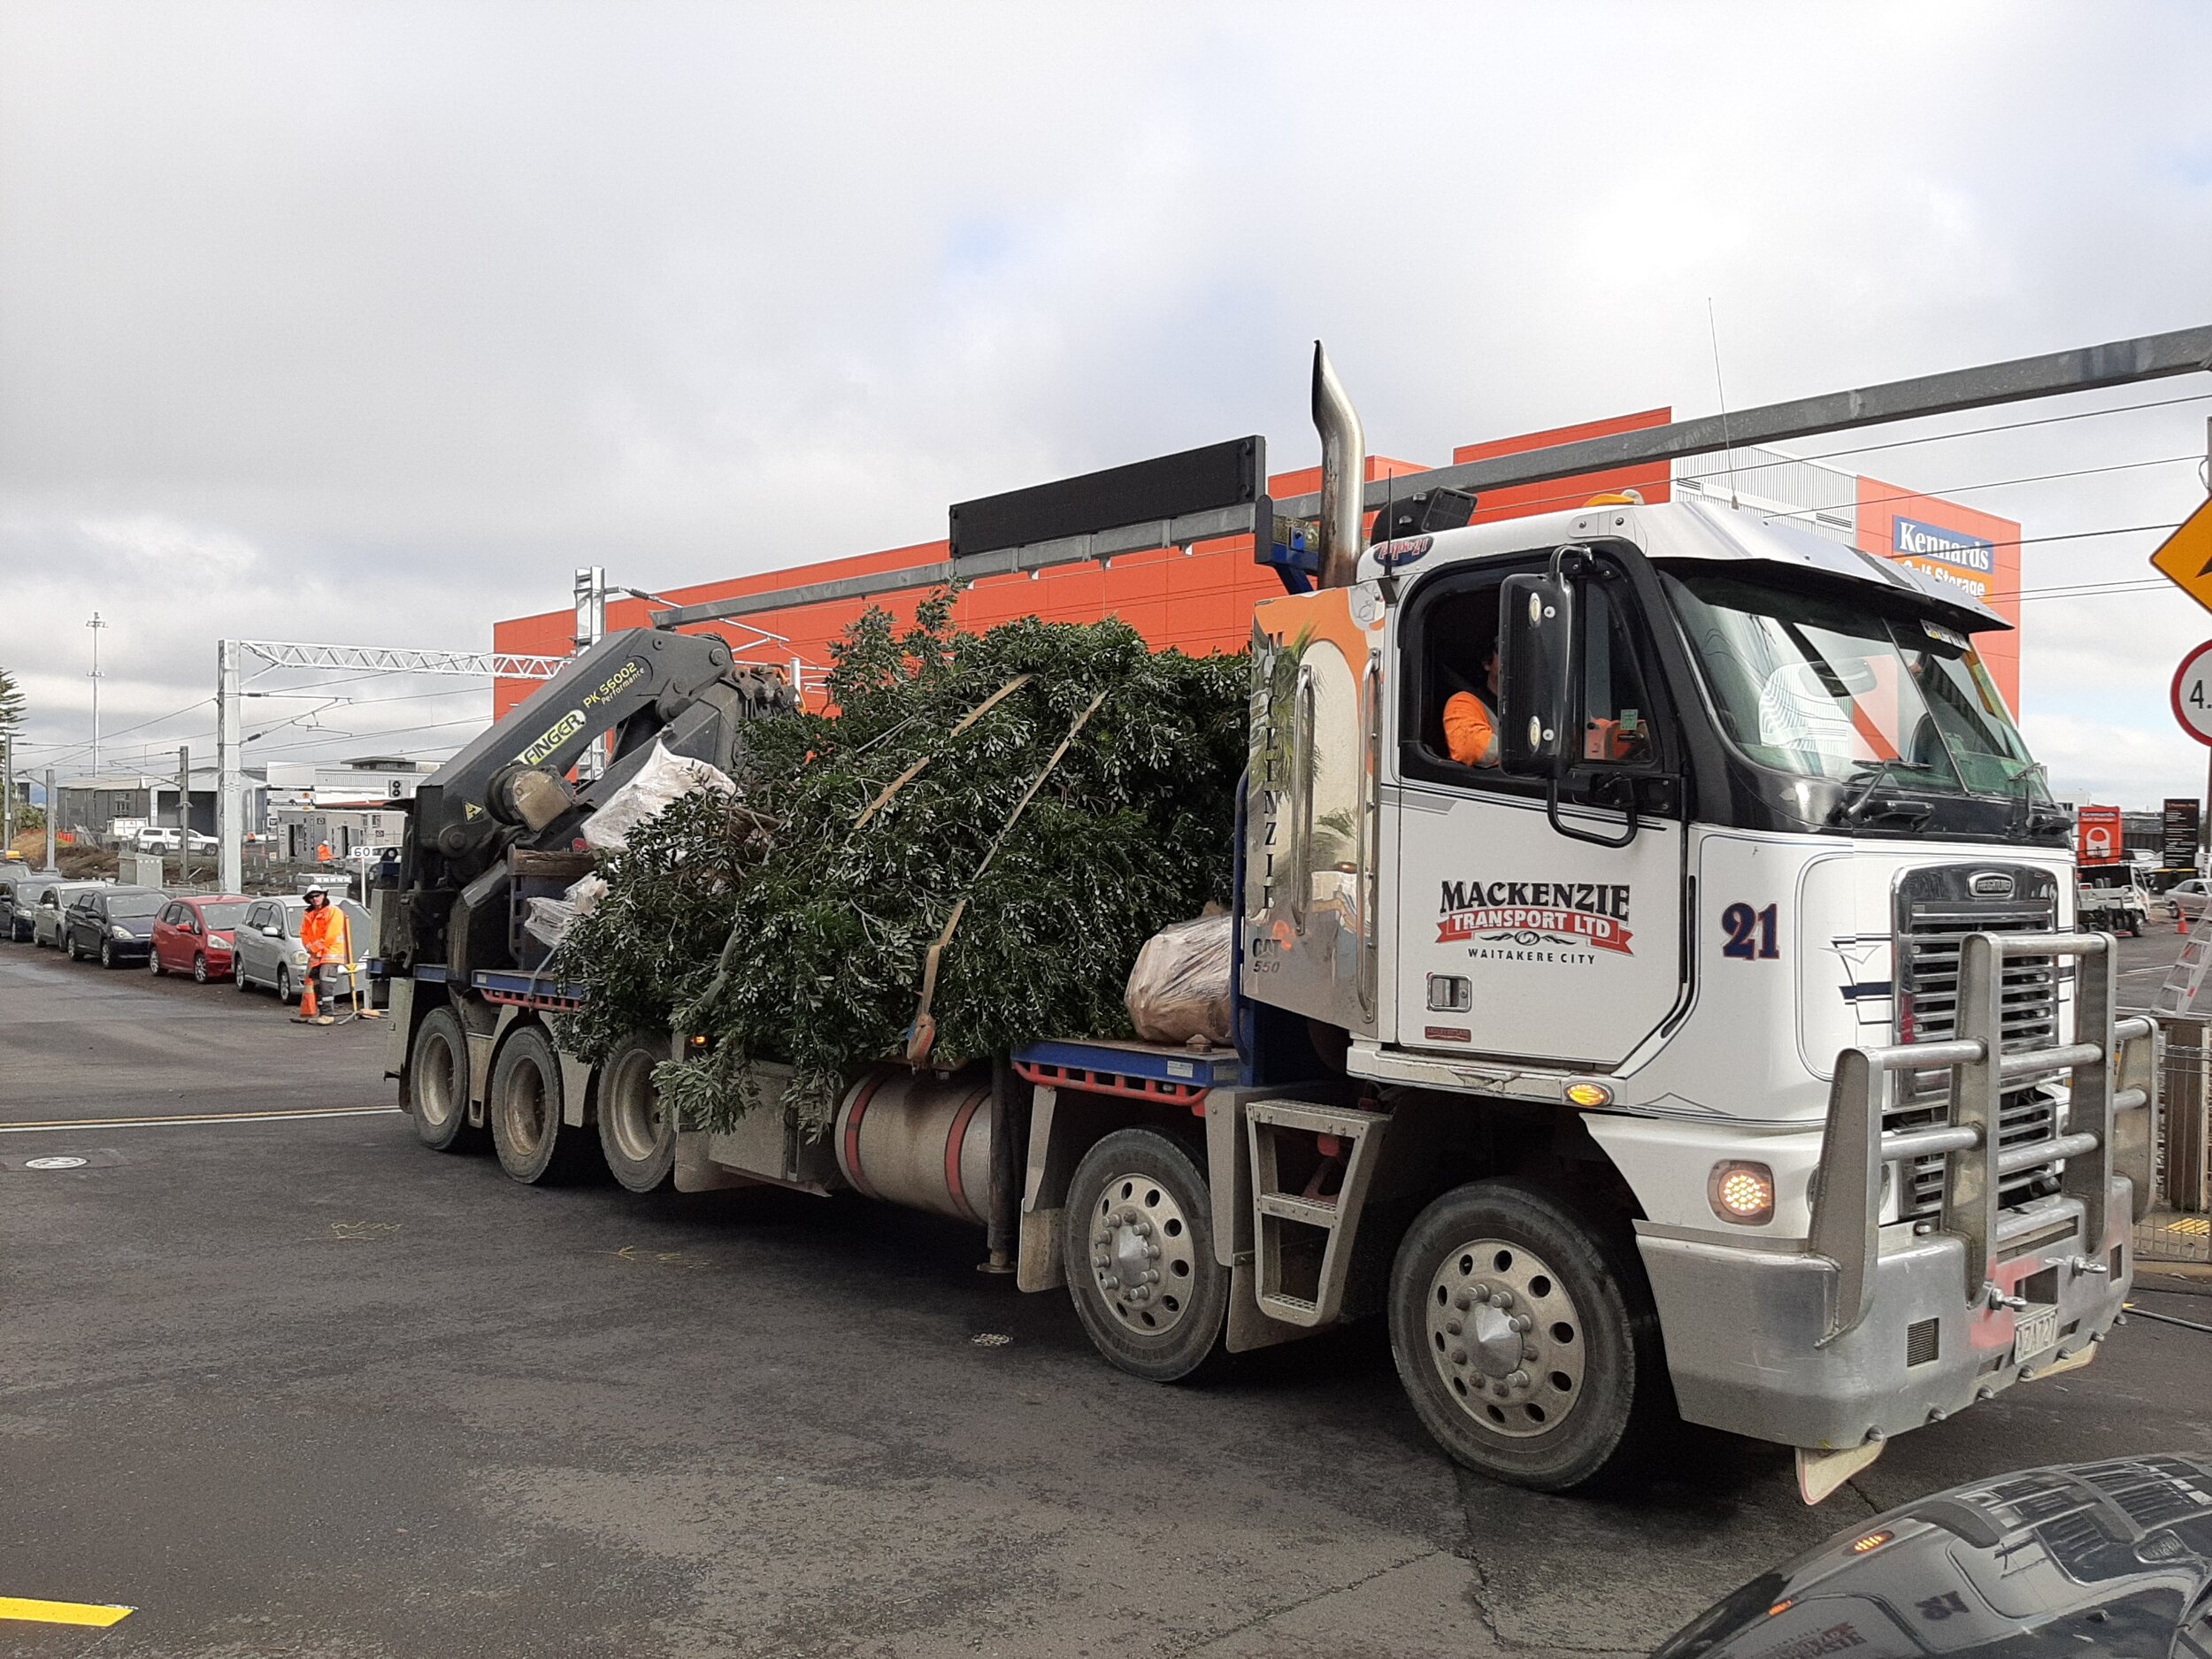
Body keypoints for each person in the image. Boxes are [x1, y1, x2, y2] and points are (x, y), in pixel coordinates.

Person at [293, 887, 351, 1025]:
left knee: (326, 984)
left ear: (324, 895)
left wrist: (313, 948)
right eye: (312, 897)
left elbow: (330, 935)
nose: (315, 899)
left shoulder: (334, 912)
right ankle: (321, 1014)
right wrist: (308, 947)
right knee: (318, 986)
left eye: (317, 895)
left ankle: (328, 1015)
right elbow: (304, 933)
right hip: (316, 956)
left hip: (331, 954)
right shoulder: (309, 914)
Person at [1444, 642, 1502, 767]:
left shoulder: (1535, 708)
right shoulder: (1462, 703)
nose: (1515, 661)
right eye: (1505, 652)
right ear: (1487, 663)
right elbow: (1473, 748)